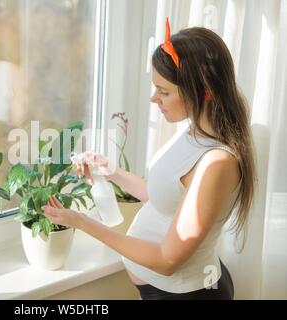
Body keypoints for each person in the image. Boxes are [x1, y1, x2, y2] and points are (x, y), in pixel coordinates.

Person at [42, 18, 256, 300]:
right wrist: (111, 171)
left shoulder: (217, 164)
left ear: (204, 91)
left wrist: (83, 222)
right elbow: (160, 196)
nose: (154, 99)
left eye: (164, 91)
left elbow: (167, 261)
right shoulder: (192, 130)